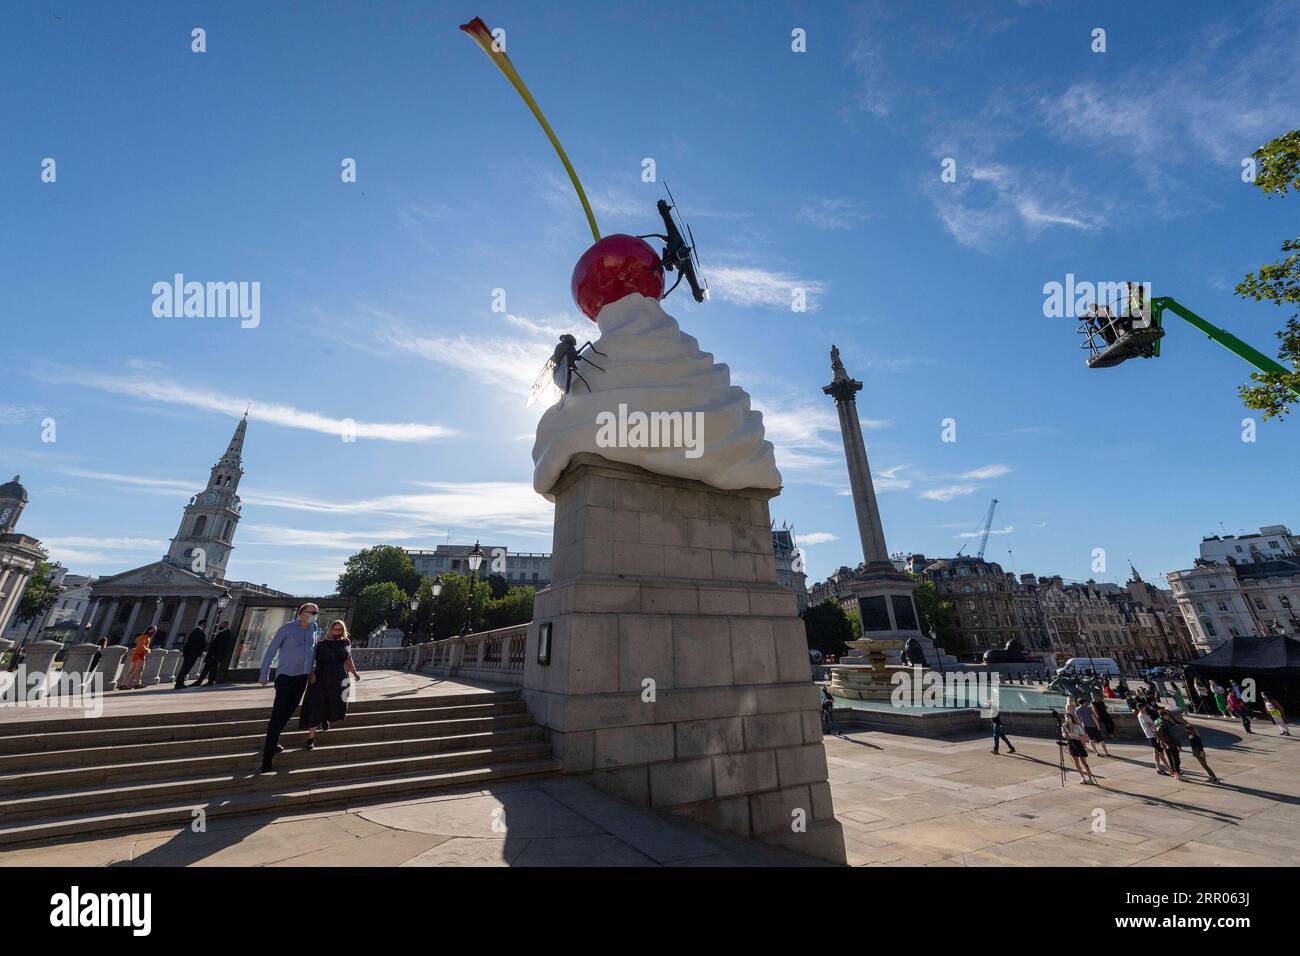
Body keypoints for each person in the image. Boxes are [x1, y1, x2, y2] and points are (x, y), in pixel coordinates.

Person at [258, 604, 320, 773]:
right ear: (301, 613)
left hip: (302, 678)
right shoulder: (286, 628)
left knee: (288, 712)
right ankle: (267, 758)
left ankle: (274, 740)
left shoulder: (314, 629)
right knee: (278, 714)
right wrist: (264, 673)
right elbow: (271, 650)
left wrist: (312, 670)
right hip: (285, 676)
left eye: (316, 613)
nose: (315, 615)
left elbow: (312, 653)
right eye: (312, 612)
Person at [300, 620, 361, 749]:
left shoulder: (346, 643)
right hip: (320, 678)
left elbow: (348, 659)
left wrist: (355, 674)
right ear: (331, 630)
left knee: (335, 701)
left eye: (339, 630)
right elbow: (311, 660)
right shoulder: (321, 644)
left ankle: (325, 718)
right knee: (316, 705)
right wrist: (311, 673)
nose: (337, 632)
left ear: (343, 631)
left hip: (338, 678)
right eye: (335, 629)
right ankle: (310, 739)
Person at [193, 620, 235, 687]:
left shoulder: (226, 634)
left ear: (225, 625)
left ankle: (209, 682)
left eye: (221, 625)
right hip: (212, 655)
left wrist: (215, 655)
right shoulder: (222, 633)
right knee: (206, 668)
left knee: (212, 669)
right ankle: (200, 681)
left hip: (215, 656)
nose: (220, 626)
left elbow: (222, 646)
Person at [1062, 713, 1097, 784]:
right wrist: (1065, 735)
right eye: (1066, 717)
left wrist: (1076, 736)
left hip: (1078, 744)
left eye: (1068, 717)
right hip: (1071, 744)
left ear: (1071, 718)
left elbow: (1085, 738)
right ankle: (1082, 777)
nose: (1067, 718)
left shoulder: (1077, 726)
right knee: (1076, 763)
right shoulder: (1064, 726)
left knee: (1084, 762)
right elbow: (1063, 734)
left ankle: (1090, 778)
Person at [1137, 704, 1171, 775]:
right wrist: (1157, 734)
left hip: (1151, 736)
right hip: (1153, 736)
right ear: (1141, 708)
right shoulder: (1142, 716)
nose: (1145, 708)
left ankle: (1158, 768)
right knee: (1160, 752)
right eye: (1144, 707)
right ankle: (1170, 769)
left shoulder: (1142, 714)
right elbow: (1151, 726)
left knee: (1156, 752)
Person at [174, 619, 208, 689]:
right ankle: (179, 683)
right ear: (203, 624)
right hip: (192, 654)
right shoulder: (198, 632)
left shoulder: (195, 631)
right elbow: (197, 644)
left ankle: (180, 682)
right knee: (186, 668)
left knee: (185, 668)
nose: (206, 626)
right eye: (205, 625)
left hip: (190, 653)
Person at [1153, 708, 1184, 781]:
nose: (1169, 717)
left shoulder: (1156, 721)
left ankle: (1174, 773)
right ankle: (1178, 773)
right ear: (1165, 715)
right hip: (1171, 743)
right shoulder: (1165, 723)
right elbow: (1172, 735)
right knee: (1176, 759)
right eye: (1168, 715)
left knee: (1170, 758)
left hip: (1164, 743)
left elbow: (1154, 731)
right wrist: (1178, 745)